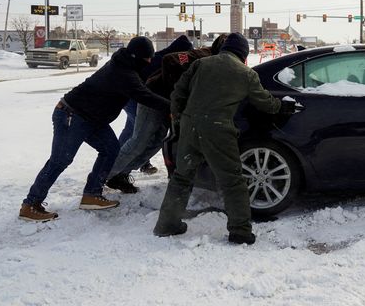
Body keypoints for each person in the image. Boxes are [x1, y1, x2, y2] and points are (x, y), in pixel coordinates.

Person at [153, 33, 295, 244]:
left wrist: (180, 119)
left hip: (190, 126)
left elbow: (177, 93)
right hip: (218, 130)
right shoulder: (245, 74)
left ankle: (167, 225)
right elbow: (264, 102)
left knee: (182, 177)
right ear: (243, 53)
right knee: (233, 181)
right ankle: (240, 231)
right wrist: (282, 106)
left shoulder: (201, 63)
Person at [19, 37, 170, 222]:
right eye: (146, 58)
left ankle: (92, 194)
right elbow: (144, 95)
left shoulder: (126, 65)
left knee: (110, 150)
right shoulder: (123, 73)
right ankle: (30, 204)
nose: (148, 62)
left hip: (92, 119)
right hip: (71, 115)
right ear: (136, 56)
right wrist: (173, 107)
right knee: (60, 160)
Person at [106, 34, 229, 193]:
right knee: (139, 141)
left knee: (157, 142)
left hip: (167, 105)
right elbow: (170, 60)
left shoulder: (220, 64)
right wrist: (176, 97)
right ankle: (101, 176)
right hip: (154, 96)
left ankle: (120, 175)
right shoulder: (200, 55)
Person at [116, 35, 193, 175]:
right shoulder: (162, 60)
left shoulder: (165, 57)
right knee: (139, 134)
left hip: (134, 96)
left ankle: (119, 158)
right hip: (135, 96)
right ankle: (120, 167)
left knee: (132, 129)